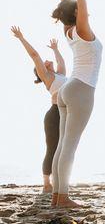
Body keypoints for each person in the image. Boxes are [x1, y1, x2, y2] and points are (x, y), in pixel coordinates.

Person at [49, 0, 103, 208]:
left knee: (62, 144)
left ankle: (57, 197)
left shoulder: (68, 29)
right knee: (69, 145)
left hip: (68, 90)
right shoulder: (81, 28)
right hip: (81, 90)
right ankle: (63, 197)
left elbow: (66, 1)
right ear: (77, 12)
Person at [11, 27, 67, 193]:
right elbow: (34, 55)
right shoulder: (48, 77)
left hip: (66, 114)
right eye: (43, 63)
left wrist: (56, 49)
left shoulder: (60, 75)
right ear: (40, 70)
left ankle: (60, 179)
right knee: (52, 148)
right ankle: (46, 183)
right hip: (55, 113)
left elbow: (62, 63)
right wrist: (21, 37)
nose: (46, 61)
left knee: (63, 148)